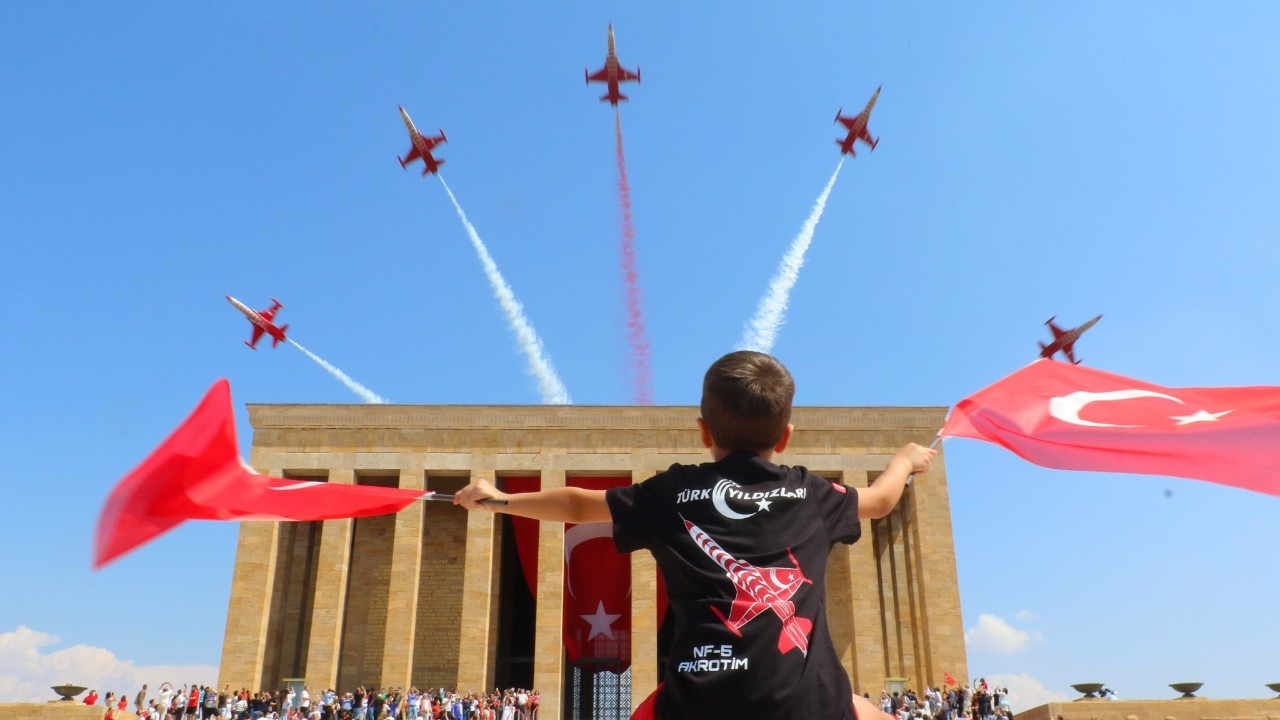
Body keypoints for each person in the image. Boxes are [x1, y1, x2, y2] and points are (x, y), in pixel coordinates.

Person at [455, 350, 935, 720]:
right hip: (808, 703)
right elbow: (880, 500)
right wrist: (905, 461)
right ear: (786, 435)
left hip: (698, 701)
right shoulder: (812, 494)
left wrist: (501, 500)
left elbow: (580, 504)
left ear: (704, 431)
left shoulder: (673, 493)